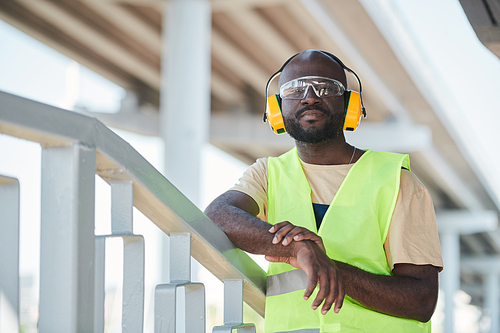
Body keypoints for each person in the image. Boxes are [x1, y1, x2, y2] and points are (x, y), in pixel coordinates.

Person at [205, 49, 443, 333]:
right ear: (276, 109)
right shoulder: (268, 173)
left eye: (326, 87)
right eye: (295, 89)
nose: (310, 96)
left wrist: (329, 268)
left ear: (350, 103)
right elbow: (218, 215)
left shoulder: (397, 181)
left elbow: (421, 301)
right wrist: (298, 248)